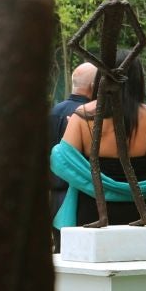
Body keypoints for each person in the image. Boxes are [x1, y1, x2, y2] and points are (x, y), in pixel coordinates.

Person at [50, 56, 146, 229]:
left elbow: (61, 160)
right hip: (143, 211)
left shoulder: (83, 115)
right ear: (138, 79)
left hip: (93, 211)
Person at [47, 62, 97, 235]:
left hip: (55, 196)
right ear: (93, 86)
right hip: (82, 196)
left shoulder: (54, 112)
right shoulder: (91, 114)